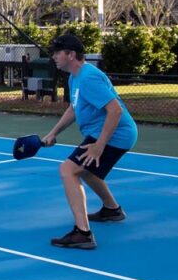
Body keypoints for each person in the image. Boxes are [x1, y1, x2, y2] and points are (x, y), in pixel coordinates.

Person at [41, 33, 138, 250]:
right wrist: (54, 132)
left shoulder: (87, 77)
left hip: (115, 134)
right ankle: (112, 210)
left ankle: (82, 233)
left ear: (71, 54)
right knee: (87, 171)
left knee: (68, 170)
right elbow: (75, 107)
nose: (54, 57)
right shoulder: (75, 76)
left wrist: (99, 145)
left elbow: (115, 110)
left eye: (57, 53)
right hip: (103, 132)